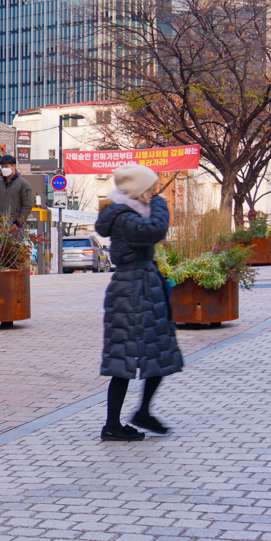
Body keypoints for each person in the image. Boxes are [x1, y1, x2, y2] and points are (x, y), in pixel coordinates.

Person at [94, 164, 183, 441]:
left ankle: (142, 411)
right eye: (151, 188)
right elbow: (154, 230)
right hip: (132, 291)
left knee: (158, 352)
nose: (155, 192)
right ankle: (112, 425)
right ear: (139, 191)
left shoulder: (130, 212)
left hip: (143, 287)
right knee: (124, 359)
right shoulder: (124, 217)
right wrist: (159, 203)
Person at [0, 154, 34, 229]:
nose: (4, 169)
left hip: (14, 226)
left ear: (14, 166)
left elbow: (27, 206)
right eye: (2, 167)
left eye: (6, 166)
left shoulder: (23, 184)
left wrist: (19, 224)